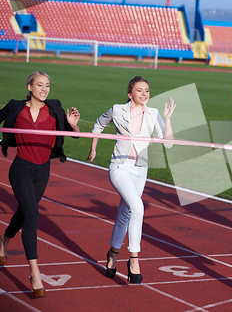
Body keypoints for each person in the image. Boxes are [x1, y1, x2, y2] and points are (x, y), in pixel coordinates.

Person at [87, 76, 175, 284]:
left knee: (125, 213)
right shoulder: (118, 110)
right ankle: (133, 259)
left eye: (147, 90)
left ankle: (112, 255)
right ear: (130, 94)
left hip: (139, 170)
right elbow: (99, 125)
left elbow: (168, 143)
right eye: (139, 90)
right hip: (119, 167)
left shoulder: (153, 113)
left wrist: (168, 118)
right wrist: (93, 148)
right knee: (138, 208)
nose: (144, 94)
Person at [0, 71, 81, 298]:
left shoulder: (54, 108)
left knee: (26, 212)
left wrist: (73, 126)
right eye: (39, 85)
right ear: (29, 86)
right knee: (33, 216)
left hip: (43, 170)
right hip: (21, 169)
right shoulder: (16, 107)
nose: (44, 89)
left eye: (47, 85)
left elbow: (73, 135)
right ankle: (34, 273)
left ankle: (4, 240)